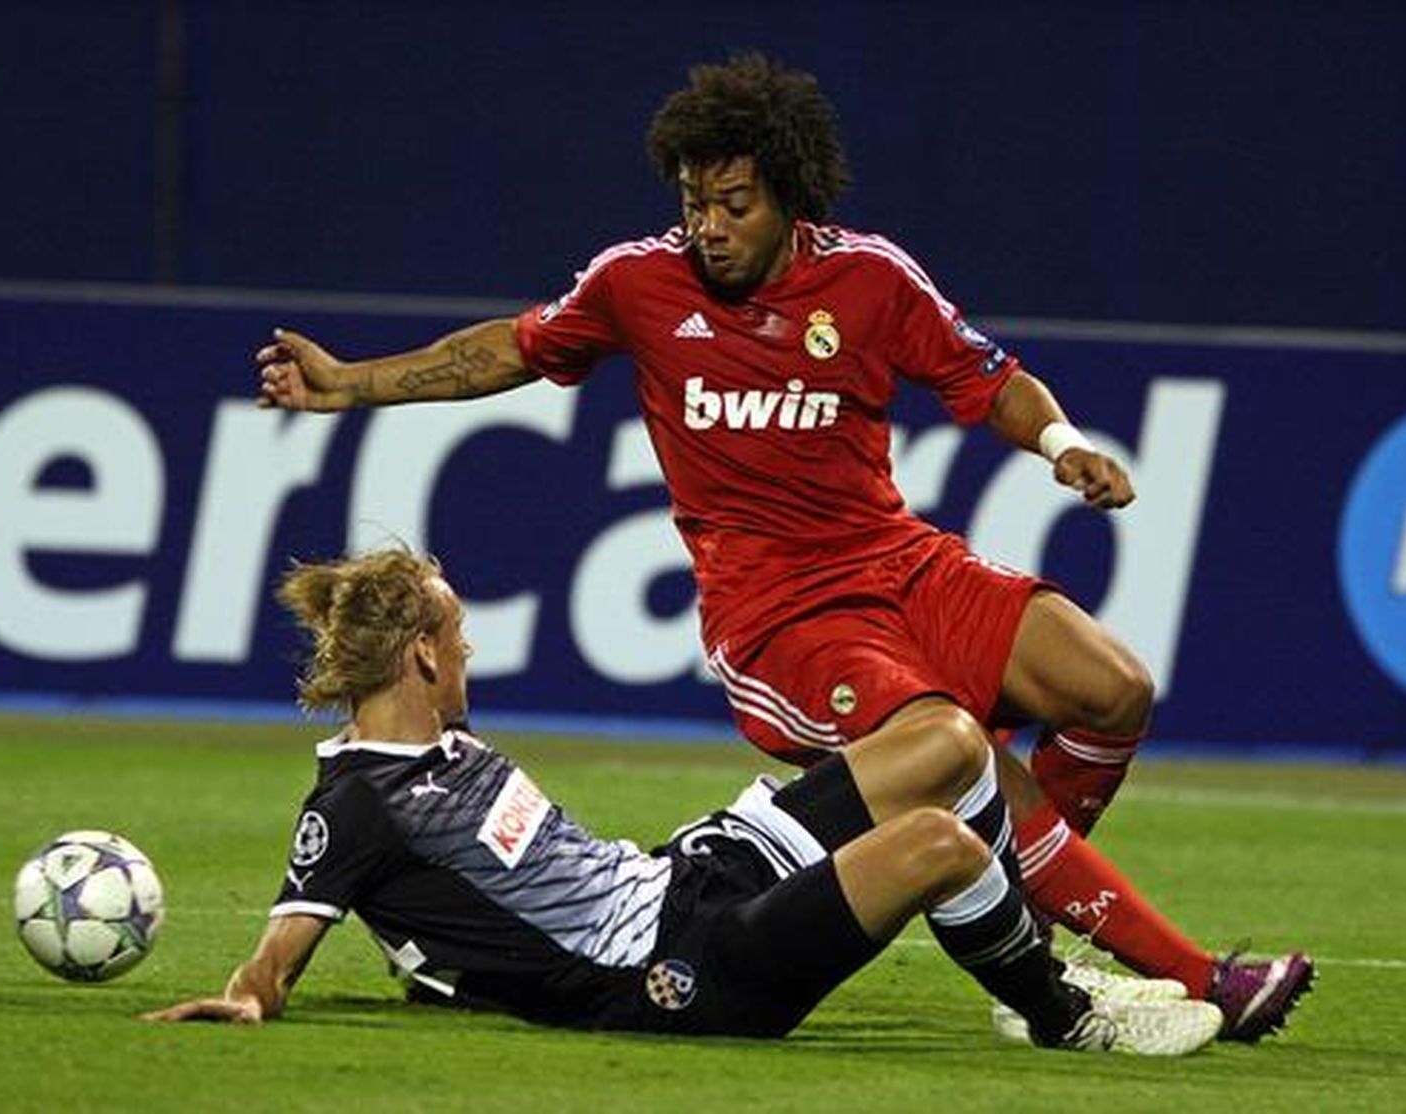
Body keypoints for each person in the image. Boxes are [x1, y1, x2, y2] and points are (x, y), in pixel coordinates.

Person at [249, 54, 1310, 1041]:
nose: (705, 227)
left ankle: (1025, 909)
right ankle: (1190, 973)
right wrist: (351, 383)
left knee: (1113, 687)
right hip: (779, 616)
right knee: (963, 755)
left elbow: (986, 377)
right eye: (691, 202)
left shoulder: (872, 280)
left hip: (895, 559)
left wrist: (1061, 441)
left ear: (791, 198)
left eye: (732, 204)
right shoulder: (636, 282)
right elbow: (506, 350)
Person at [144, 548, 1223, 1053]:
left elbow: (482, 903)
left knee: (942, 740)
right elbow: (280, 950)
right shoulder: (359, 801)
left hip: (690, 873)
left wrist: (445, 970)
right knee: (936, 844)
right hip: (685, 975)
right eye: (456, 633)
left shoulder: (449, 749)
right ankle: (1062, 1015)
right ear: (422, 657)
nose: (469, 646)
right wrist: (249, 994)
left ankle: (1017, 951)